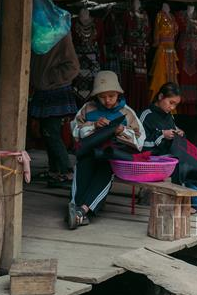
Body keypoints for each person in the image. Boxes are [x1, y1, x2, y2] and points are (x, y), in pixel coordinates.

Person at [68, 71, 145, 229]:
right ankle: (75, 207)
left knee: (105, 171)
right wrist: (94, 126)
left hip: (110, 155)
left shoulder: (127, 113)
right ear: (96, 96)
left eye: (111, 96)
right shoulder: (87, 109)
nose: (107, 100)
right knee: (82, 167)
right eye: (102, 97)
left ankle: (83, 210)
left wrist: (122, 130)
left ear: (118, 93)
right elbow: (75, 130)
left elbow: (140, 140)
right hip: (90, 151)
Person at [29, 34, 80, 187]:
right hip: (44, 89)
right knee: (47, 131)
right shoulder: (40, 34)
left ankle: (66, 171)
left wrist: (50, 77)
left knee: (51, 133)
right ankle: (55, 170)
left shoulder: (61, 34)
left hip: (54, 90)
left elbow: (73, 66)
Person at [139, 82, 184, 155]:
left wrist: (179, 133)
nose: (173, 108)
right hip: (151, 162)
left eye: (176, 104)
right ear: (160, 96)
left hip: (169, 160)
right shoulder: (146, 116)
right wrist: (162, 135)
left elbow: (174, 129)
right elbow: (140, 145)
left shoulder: (169, 116)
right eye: (171, 102)